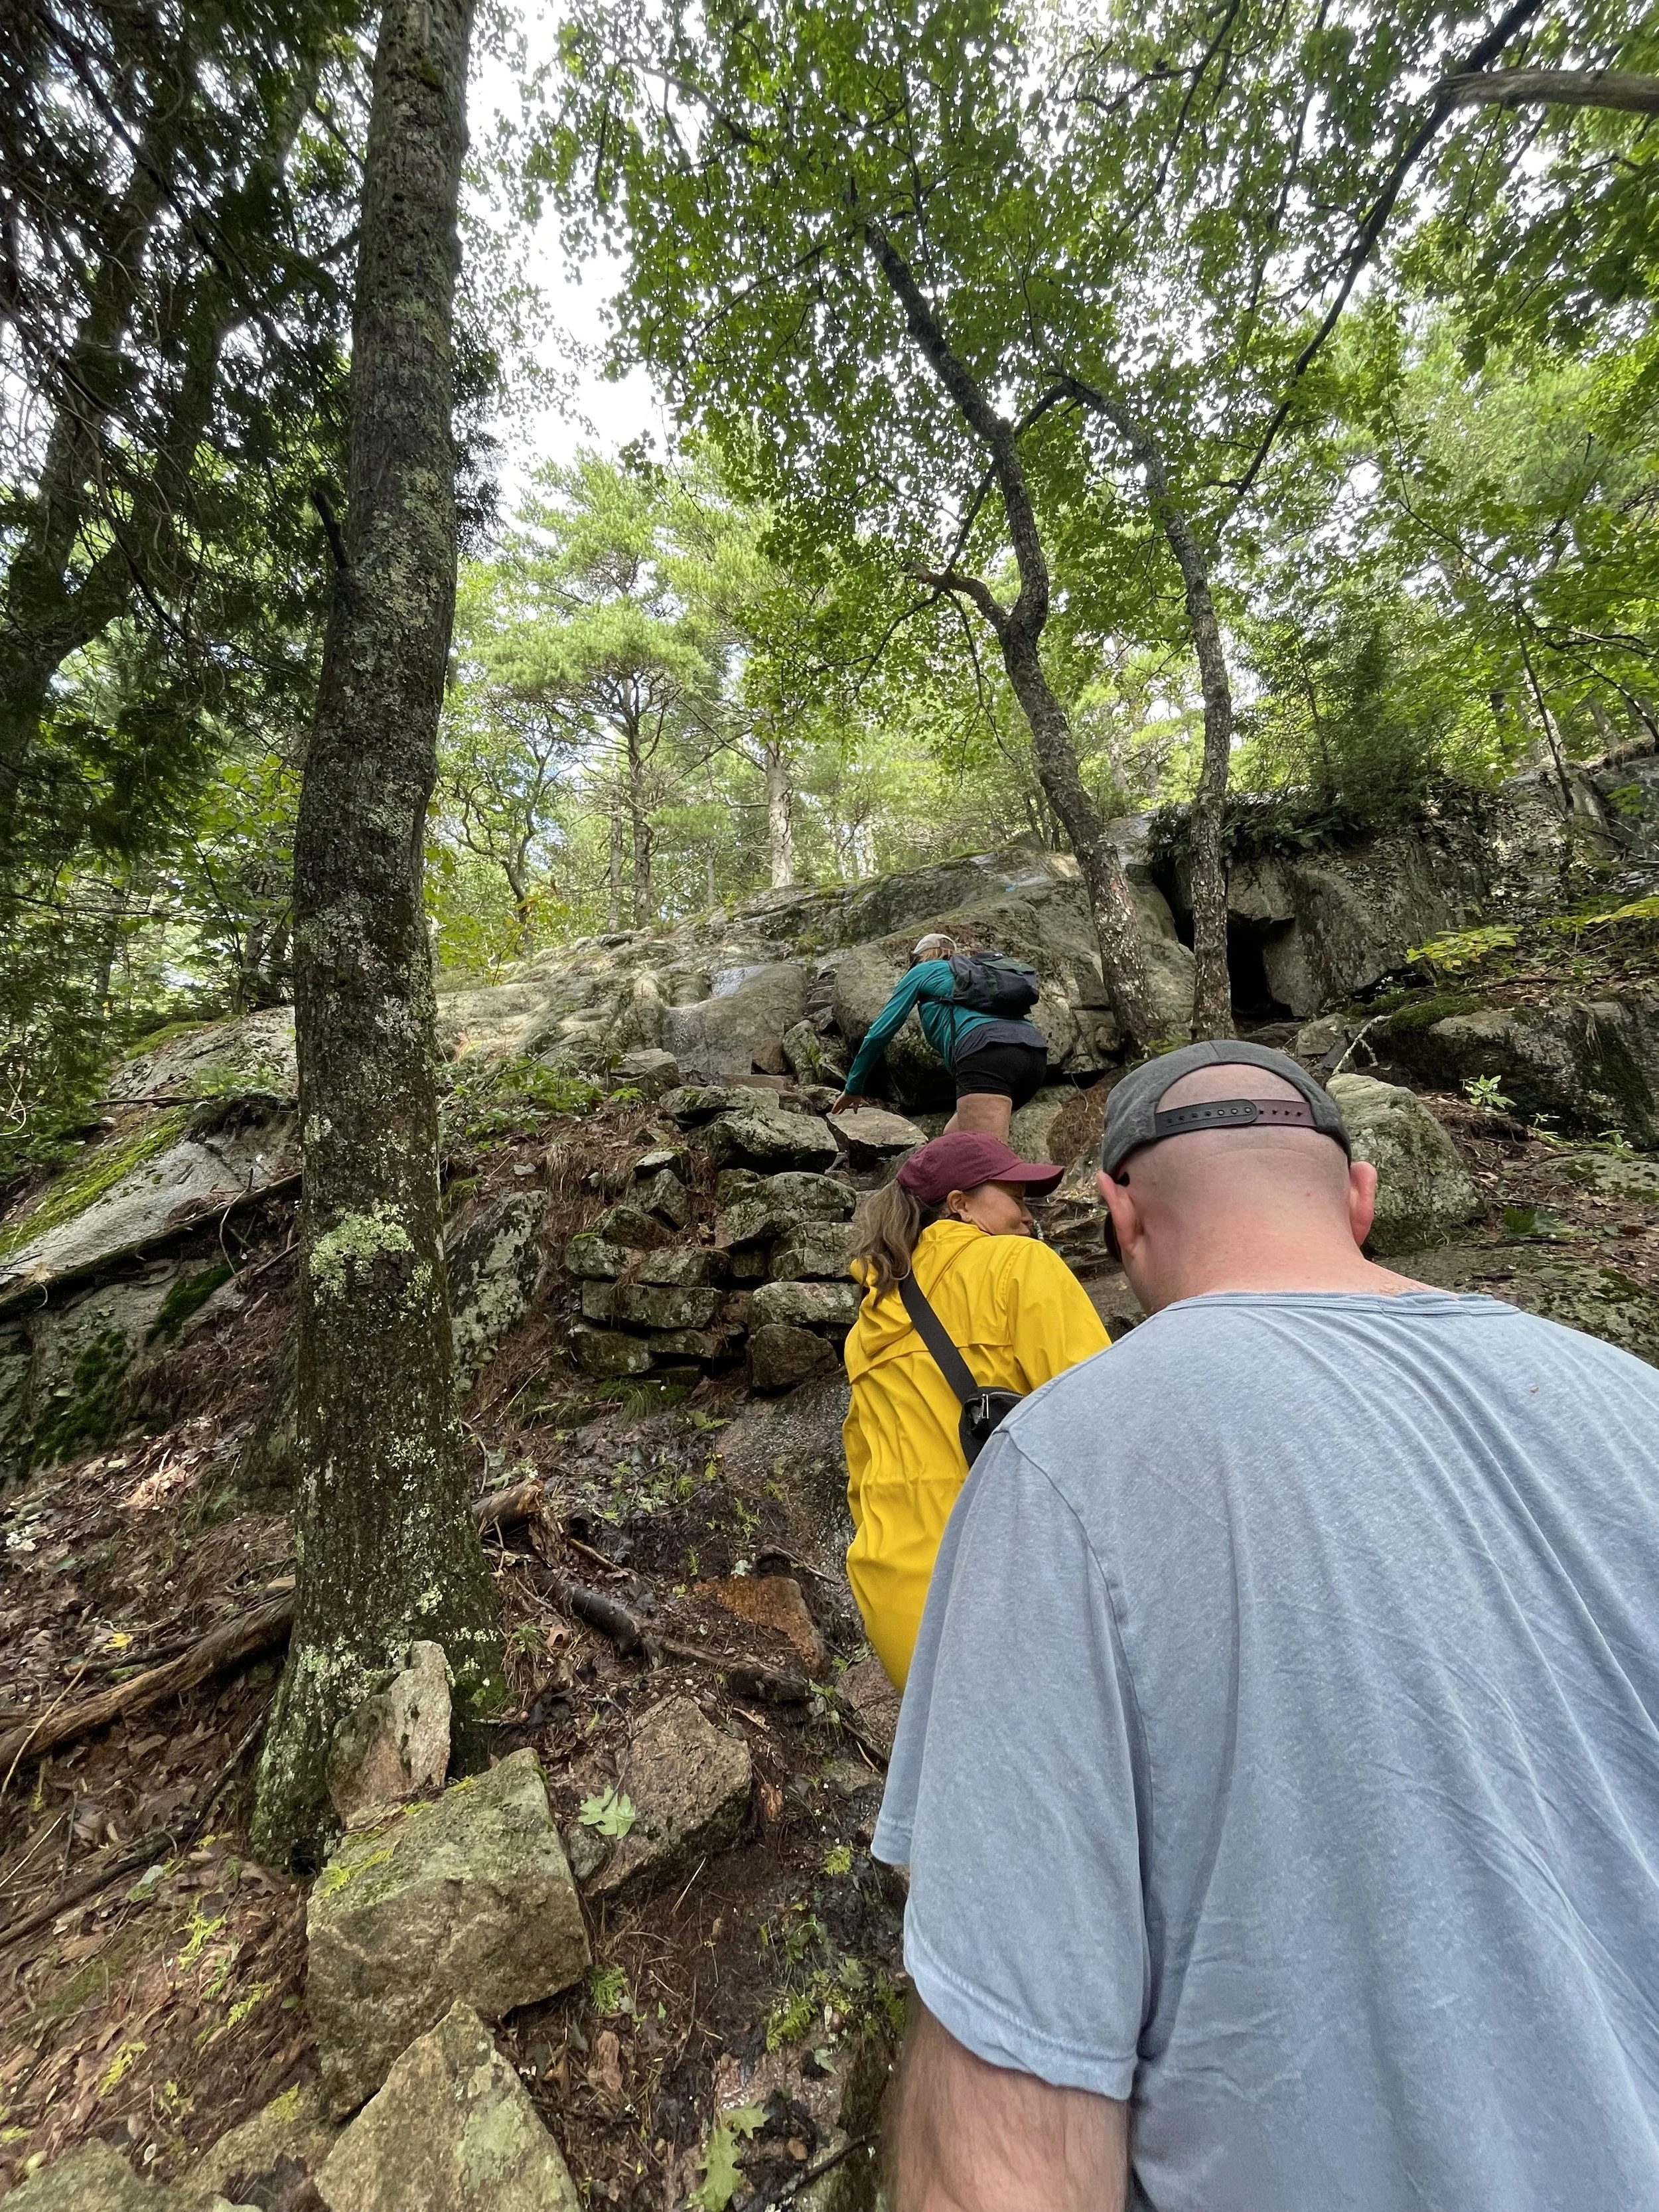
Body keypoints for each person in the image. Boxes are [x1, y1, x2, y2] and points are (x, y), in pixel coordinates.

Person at [876, 1040, 1659, 2212]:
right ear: (1361, 1194)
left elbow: (1008, 2163)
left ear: (1119, 1211)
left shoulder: (1071, 1456)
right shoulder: (1636, 1407)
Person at [841, 1130, 1110, 1689]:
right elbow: (1102, 1423)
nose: (1028, 1215)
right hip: (1011, 1597)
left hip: (897, 1601)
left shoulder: (868, 1326)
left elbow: (861, 1479)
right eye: (1015, 1196)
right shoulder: (1018, 1266)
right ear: (961, 1204)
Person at [831, 933, 1046, 1140]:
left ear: (919, 957)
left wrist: (854, 1086)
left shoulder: (922, 971)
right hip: (1033, 1055)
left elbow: (879, 1033)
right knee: (952, 1141)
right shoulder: (975, 975)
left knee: (985, 1158)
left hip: (985, 1054)